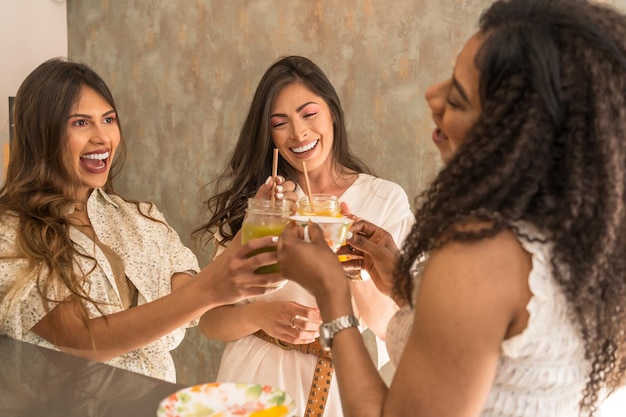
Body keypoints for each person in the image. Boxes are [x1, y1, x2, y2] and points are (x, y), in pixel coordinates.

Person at [276, 0, 626, 416]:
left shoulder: (478, 255)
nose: (431, 94)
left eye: (457, 99)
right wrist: (405, 286)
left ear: (511, 137)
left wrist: (332, 292)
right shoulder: (583, 245)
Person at [0, 58, 286, 383]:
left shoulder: (141, 219)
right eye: (80, 123)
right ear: (41, 133)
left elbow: (194, 296)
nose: (102, 137)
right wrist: (211, 289)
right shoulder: (11, 233)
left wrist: (252, 231)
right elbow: (81, 343)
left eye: (108, 119)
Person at [194, 55, 414, 416]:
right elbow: (209, 321)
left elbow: (393, 328)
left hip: (343, 389)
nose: (298, 133)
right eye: (281, 123)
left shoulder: (383, 200)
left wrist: (341, 258)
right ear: (270, 136)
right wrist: (260, 317)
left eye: (309, 114)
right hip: (254, 381)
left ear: (333, 115)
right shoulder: (265, 204)